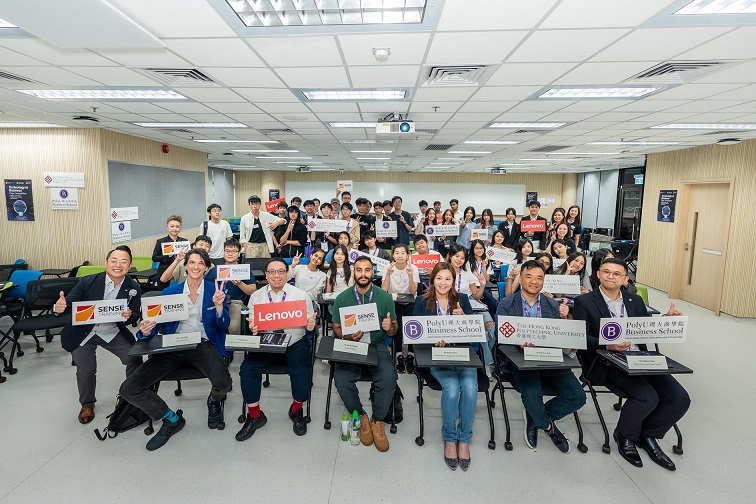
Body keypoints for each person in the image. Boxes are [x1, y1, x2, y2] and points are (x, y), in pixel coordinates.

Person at [573, 258, 690, 471]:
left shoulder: (634, 300)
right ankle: (625, 435)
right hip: (606, 361)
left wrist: (667, 320)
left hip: (640, 357)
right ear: (598, 274)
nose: (610, 276)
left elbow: (644, 328)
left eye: (616, 273)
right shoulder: (585, 301)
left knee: (679, 398)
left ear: (625, 279)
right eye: (606, 272)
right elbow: (580, 337)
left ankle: (647, 434)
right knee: (647, 396)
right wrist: (607, 345)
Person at [119, 249, 232, 451]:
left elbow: (223, 326)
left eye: (201, 263)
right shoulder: (170, 292)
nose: (196, 266)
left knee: (224, 384)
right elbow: (154, 326)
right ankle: (171, 418)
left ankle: (213, 400)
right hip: (172, 345)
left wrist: (219, 306)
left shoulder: (215, 291)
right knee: (129, 389)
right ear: (185, 265)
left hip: (202, 344)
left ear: (206, 267)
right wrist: (145, 330)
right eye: (192, 262)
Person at [496, 260, 585, 454]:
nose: (534, 282)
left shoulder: (552, 304)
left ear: (544, 281)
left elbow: (561, 336)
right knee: (532, 395)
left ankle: (535, 417)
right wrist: (517, 342)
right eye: (529, 277)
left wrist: (565, 319)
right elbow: (499, 335)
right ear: (520, 279)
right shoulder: (506, 303)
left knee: (577, 396)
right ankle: (549, 427)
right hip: (521, 359)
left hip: (549, 356)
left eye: (539, 278)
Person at [54, 245, 143, 424]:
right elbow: (68, 304)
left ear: (129, 265)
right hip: (83, 332)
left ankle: (132, 396)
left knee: (134, 358)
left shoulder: (133, 286)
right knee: (87, 370)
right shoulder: (88, 281)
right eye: (114, 261)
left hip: (111, 330)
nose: (118, 265)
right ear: (106, 263)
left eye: (123, 262)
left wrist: (130, 315)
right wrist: (59, 308)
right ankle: (87, 404)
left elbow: (135, 313)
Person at [236, 258, 317, 441]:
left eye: (281, 271)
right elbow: (253, 323)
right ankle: (255, 416)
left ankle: (296, 410)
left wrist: (310, 326)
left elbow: (309, 322)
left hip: (294, 342)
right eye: (272, 271)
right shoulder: (257, 296)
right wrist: (253, 328)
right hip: (267, 342)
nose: (276, 275)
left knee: (302, 370)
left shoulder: (301, 295)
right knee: (247, 369)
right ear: (266, 275)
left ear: (287, 274)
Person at [413, 262, 479, 471]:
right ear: (432, 280)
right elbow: (415, 334)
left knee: (470, 387)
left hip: (462, 353)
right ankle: (450, 438)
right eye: (439, 278)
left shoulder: (462, 300)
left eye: (448, 279)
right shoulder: (422, 301)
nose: (443, 283)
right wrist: (431, 340)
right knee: (451, 387)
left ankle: (464, 439)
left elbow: (474, 333)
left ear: (453, 281)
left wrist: (465, 319)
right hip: (436, 356)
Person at [332, 256, 398, 452]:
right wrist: (347, 335)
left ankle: (378, 420)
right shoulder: (342, 298)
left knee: (389, 377)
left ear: (372, 272)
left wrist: (390, 327)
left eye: (367, 270)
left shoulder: (384, 297)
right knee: (341, 379)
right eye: (359, 270)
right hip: (351, 345)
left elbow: (393, 329)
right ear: (354, 272)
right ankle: (360, 415)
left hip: (376, 344)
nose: (363, 274)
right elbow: (336, 328)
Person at [446, 244, 495, 377]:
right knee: (481, 333)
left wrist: (482, 285)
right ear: (450, 256)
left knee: (491, 328)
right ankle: (488, 364)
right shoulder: (443, 271)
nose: (459, 260)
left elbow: (477, 296)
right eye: (457, 256)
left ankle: (486, 358)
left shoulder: (467, 273)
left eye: (462, 258)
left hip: (471, 304)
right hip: (451, 305)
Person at [381, 244, 419, 373]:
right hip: (394, 303)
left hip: (410, 303)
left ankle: (410, 355)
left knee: (412, 324)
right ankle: (399, 355)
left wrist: (410, 275)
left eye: (403, 253)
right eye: (397, 253)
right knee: (398, 323)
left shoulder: (413, 268)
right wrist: (388, 274)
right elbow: (384, 290)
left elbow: (413, 291)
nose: (400, 255)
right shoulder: (388, 268)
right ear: (393, 255)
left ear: (408, 255)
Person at [219, 239, 257, 335]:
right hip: (216, 303)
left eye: (234, 251)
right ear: (223, 252)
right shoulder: (216, 270)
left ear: (239, 254)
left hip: (235, 304)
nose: (230, 254)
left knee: (233, 328)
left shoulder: (244, 270)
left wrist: (240, 284)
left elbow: (253, 291)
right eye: (227, 251)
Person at [152, 214, 186, 290]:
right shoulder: (161, 241)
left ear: (180, 228)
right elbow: (154, 258)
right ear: (167, 228)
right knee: (164, 294)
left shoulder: (184, 242)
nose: (175, 229)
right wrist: (168, 256)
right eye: (172, 226)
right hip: (164, 272)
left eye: (177, 226)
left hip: (180, 272)